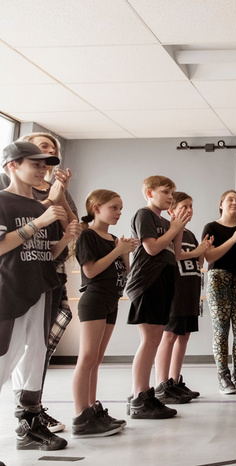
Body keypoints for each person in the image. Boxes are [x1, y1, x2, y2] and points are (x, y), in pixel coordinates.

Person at [0, 141, 79, 450]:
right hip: (11, 292)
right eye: (35, 164)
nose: (42, 170)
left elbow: (47, 253)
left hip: (41, 291)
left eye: (45, 165)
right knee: (4, 360)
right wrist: (38, 223)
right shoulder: (3, 202)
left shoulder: (39, 205)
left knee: (34, 360)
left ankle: (29, 426)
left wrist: (64, 240)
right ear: (12, 166)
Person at [72, 189, 138, 437]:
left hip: (112, 300)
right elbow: (91, 271)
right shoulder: (88, 235)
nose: (119, 212)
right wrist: (116, 250)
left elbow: (125, 271)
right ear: (96, 208)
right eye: (114, 207)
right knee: (87, 358)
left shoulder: (112, 238)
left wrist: (123, 252)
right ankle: (81, 416)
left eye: (121, 208)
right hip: (94, 300)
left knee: (96, 359)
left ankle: (92, 409)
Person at [125, 175, 190, 419]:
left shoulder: (165, 220)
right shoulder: (145, 214)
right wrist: (173, 228)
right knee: (150, 339)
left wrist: (177, 226)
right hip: (147, 282)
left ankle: (139, 394)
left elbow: (175, 252)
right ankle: (140, 397)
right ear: (149, 193)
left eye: (172, 193)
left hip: (164, 280)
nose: (170, 197)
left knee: (154, 338)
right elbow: (151, 247)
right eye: (165, 192)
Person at [153, 192, 212, 403]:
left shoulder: (191, 234)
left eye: (191, 206)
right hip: (175, 291)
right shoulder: (170, 231)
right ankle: (162, 384)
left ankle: (174, 380)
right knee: (169, 336)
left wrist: (203, 250)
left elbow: (199, 264)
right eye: (184, 206)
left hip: (190, 291)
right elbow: (176, 256)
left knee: (184, 336)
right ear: (171, 210)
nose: (189, 210)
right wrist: (197, 250)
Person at [203, 190, 236, 394]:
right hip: (219, 279)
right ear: (221, 204)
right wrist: (233, 239)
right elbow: (209, 256)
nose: (234, 203)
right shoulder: (211, 227)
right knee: (221, 329)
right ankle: (223, 375)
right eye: (230, 200)